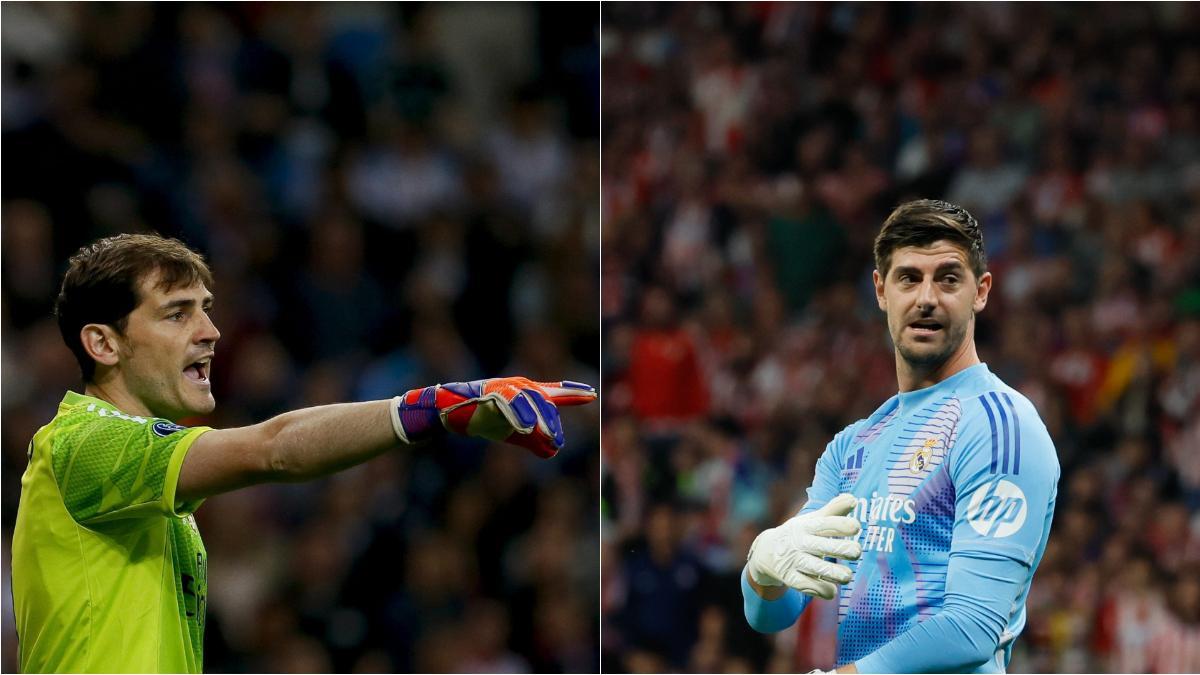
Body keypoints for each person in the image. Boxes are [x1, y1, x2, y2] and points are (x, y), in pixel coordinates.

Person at [10, 233, 597, 673]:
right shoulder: (85, 443)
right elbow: (275, 449)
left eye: (206, 308)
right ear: (103, 343)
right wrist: (436, 407)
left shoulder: (135, 470)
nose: (210, 330)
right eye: (177, 313)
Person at [741, 200, 1060, 673]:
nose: (927, 298)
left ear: (981, 292)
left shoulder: (1000, 424)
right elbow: (771, 614)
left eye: (948, 279)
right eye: (909, 278)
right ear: (880, 290)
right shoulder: (853, 445)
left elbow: (973, 625)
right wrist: (762, 567)